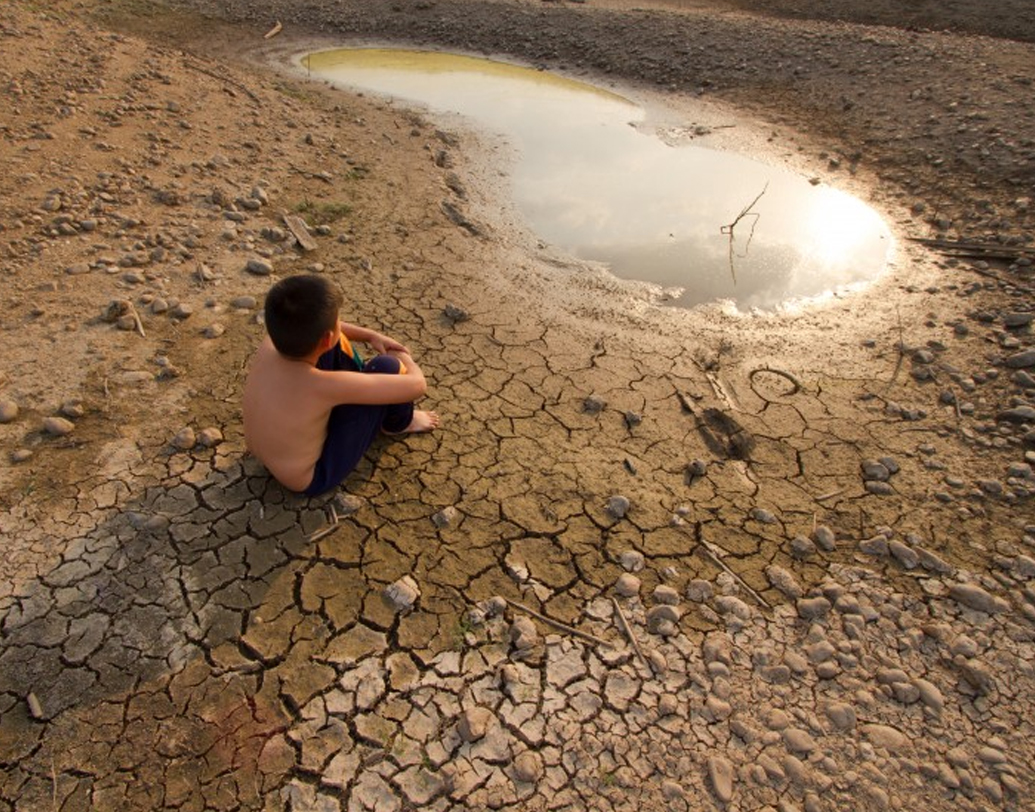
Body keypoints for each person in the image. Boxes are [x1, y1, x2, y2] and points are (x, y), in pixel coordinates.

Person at [243, 273, 439, 496]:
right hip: (311, 477)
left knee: (331, 343)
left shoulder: (270, 344)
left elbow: (325, 330)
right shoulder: (323, 386)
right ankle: (399, 423)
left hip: (268, 455)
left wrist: (370, 336)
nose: (340, 324)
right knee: (388, 366)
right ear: (326, 337)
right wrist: (404, 357)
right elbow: (417, 385)